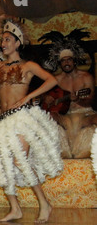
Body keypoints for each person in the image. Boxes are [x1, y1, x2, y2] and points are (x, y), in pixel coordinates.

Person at [0, 18, 63, 223]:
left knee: (19, 160)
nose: (4, 43)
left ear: (18, 43)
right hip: (4, 120)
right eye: (2, 40)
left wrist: (27, 97)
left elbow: (53, 80)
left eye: (8, 40)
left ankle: (44, 203)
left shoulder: (28, 66)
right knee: (3, 162)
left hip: (22, 117)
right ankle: (15, 208)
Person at [39, 29, 96, 158]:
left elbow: (91, 100)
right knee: (48, 116)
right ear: (60, 63)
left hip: (85, 113)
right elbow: (43, 95)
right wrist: (45, 97)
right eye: (63, 61)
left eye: (69, 60)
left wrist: (78, 100)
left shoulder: (86, 77)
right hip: (64, 116)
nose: (66, 63)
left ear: (74, 61)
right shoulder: (56, 79)